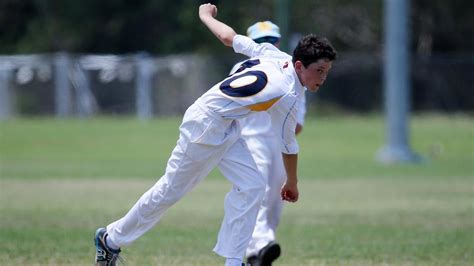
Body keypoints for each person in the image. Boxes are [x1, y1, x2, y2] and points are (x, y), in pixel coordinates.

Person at [94, 3, 336, 266]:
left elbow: (228, 38)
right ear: (300, 65)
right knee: (170, 191)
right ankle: (110, 239)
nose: (322, 78)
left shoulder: (275, 55)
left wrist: (205, 15)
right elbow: (289, 145)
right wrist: (292, 183)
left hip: (226, 125)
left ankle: (233, 261)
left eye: (327, 72)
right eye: (319, 71)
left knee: (252, 186)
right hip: (205, 126)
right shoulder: (289, 93)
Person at [230, 21, 307, 266]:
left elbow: (298, 122)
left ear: (278, 41)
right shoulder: (240, 67)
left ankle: (257, 254)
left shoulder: (290, 69)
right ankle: (262, 243)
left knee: (276, 198)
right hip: (250, 140)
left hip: (280, 142)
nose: (268, 45)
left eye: (270, 40)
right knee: (259, 193)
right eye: (261, 41)